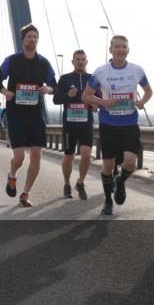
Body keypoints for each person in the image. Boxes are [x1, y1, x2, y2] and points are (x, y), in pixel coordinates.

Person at [82, 35, 153, 216]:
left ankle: (120, 181)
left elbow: (148, 91)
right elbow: (85, 96)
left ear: (128, 50)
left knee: (130, 162)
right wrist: (103, 102)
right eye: (117, 47)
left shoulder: (137, 70)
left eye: (124, 47)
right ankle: (107, 202)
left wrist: (142, 101)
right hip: (109, 124)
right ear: (110, 50)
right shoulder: (100, 72)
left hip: (129, 123)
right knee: (108, 165)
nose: (120, 50)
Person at [0, 25, 56, 207]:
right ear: (23, 40)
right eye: (29, 37)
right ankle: (12, 175)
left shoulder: (44, 63)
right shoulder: (12, 61)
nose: (32, 40)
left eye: (35, 37)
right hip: (16, 115)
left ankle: (26, 193)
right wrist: (5, 91)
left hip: (36, 115)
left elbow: (55, 85)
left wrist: (48, 89)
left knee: (36, 155)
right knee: (19, 157)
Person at [53, 50, 94, 200]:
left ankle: (80, 182)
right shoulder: (65, 79)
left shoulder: (92, 79)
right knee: (68, 156)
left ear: (86, 62)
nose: (80, 62)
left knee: (87, 154)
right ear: (73, 61)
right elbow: (56, 99)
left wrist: (95, 104)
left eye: (83, 59)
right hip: (70, 124)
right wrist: (66, 96)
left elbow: (100, 97)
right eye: (78, 59)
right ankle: (66, 183)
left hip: (86, 123)